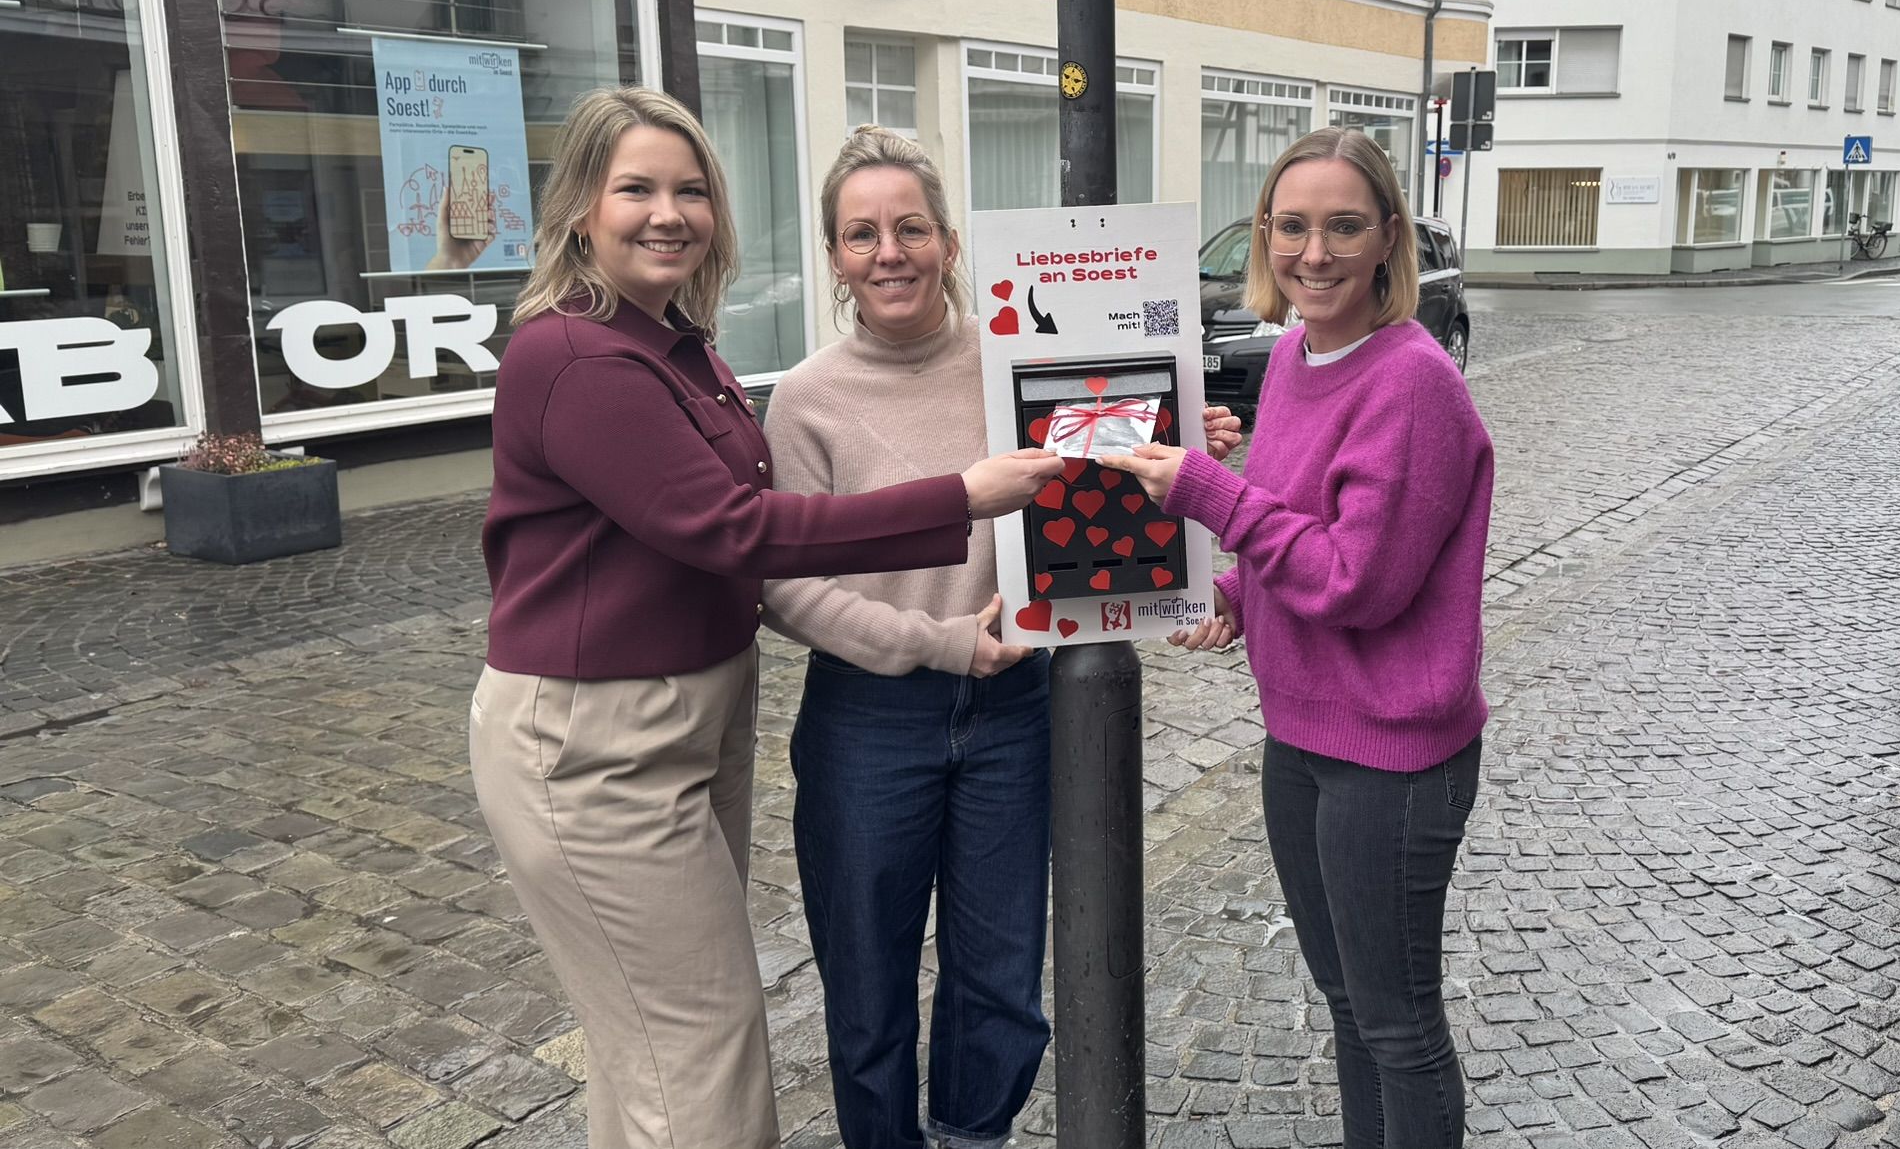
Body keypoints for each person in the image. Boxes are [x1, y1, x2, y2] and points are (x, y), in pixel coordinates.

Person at [471, 89, 1062, 1149]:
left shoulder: (680, 348)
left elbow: (1085, 455)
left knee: (654, 1041)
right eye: (637, 189)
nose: (668, 213)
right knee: (701, 1040)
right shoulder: (578, 355)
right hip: (603, 734)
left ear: (948, 239)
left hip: (695, 717)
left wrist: (1167, 419)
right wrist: (955, 504)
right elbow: (738, 531)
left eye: (690, 189)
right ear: (578, 212)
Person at [759, 126, 1241, 1149]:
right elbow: (786, 590)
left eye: (910, 228)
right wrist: (934, 642)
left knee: (1003, 987)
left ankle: (971, 1139)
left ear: (945, 241)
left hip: (1015, 709)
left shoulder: (1015, 360)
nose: (889, 252)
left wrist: (1189, 440)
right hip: (868, 719)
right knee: (867, 992)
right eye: (861, 235)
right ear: (835, 256)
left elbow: (1109, 467)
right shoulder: (804, 399)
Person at [1102, 127, 1493, 1149]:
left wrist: (1205, 491)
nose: (1313, 252)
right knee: (1350, 1006)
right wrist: (1237, 592)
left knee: (1399, 1025)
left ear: (1387, 240)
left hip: (1393, 757)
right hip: (1304, 740)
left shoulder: (1412, 382)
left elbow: (1357, 580)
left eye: (1343, 226)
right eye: (1292, 225)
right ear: (1265, 235)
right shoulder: (1292, 356)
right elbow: (1292, 524)